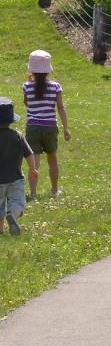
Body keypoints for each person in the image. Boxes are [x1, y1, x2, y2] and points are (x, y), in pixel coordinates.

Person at [22, 50, 70, 199]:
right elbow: (60, 108)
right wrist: (66, 128)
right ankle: (55, 190)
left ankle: (34, 193)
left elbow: (27, 104)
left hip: (33, 127)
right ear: (48, 69)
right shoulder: (56, 86)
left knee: (34, 164)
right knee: (52, 159)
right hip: (50, 127)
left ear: (32, 69)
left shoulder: (27, 86)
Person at [0, 98, 38, 236]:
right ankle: (13, 215)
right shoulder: (18, 135)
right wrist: (33, 169)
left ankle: (0, 230)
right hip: (15, 178)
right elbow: (29, 154)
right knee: (17, 202)